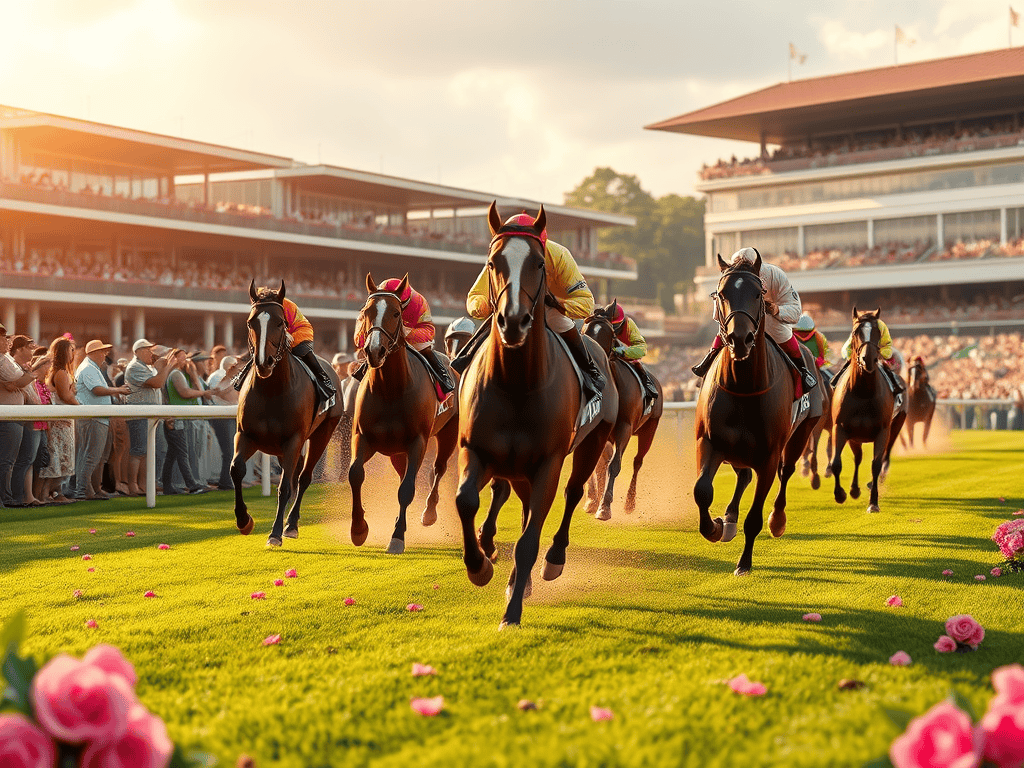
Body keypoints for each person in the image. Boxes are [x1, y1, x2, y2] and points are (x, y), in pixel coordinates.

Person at [456, 212, 605, 398]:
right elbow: (476, 296)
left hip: (549, 308)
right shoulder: (504, 253)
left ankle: (590, 370)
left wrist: (558, 303)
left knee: (562, 323)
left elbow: (586, 304)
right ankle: (461, 368)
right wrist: (485, 306)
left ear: (541, 245)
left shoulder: (559, 255)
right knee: (494, 323)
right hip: (510, 306)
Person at [691, 247, 818, 391]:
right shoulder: (729, 276)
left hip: (772, 322)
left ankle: (803, 373)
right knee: (724, 335)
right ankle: (706, 366)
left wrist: (777, 309)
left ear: (756, 266)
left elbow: (795, 312)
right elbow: (717, 314)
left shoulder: (775, 275)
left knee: (788, 341)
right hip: (741, 321)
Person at [353, 276, 455, 394]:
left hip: (412, 336)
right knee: (367, 353)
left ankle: (444, 380)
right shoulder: (375, 301)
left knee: (427, 350)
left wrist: (406, 332)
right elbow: (359, 337)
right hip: (384, 335)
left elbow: (429, 331)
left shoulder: (419, 302)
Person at [232, 292, 336, 399]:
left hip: (300, 330)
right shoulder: (263, 308)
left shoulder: (287, 305)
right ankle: (240, 378)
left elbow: (283, 325)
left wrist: (288, 335)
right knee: (261, 352)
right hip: (283, 333)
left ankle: (325, 382)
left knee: (303, 352)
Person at [72, 340, 130, 500]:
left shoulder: (91, 367)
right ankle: (81, 491)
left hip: (97, 417)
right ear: (93, 353)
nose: (105, 354)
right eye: (102, 351)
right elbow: (97, 390)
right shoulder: (88, 368)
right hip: (93, 418)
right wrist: (118, 389)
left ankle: (91, 490)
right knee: (91, 456)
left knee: (95, 457)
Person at [123, 339, 177, 496]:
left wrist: (164, 367)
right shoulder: (134, 367)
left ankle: (144, 485)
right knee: (138, 450)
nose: (151, 353)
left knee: (150, 451)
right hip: (139, 414)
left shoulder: (146, 367)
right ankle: (133, 486)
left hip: (151, 414)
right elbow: (158, 382)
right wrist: (167, 367)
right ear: (138, 351)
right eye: (147, 350)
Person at [40, 336, 78, 504]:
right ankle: (47, 493)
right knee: (58, 457)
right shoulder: (61, 372)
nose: (73, 353)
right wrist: (80, 405)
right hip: (60, 421)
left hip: (64, 419)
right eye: (71, 350)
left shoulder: (61, 370)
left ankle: (56, 492)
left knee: (63, 456)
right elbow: (65, 395)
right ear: (64, 351)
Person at [0, 328, 35, 507]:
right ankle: (5, 498)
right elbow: (20, 381)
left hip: (16, 414)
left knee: (10, 460)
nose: (6, 341)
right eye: (2, 338)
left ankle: (7, 497)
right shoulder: (4, 359)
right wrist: (32, 374)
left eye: (6, 337)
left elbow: (18, 381)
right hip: (7, 416)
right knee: (6, 461)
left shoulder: (6, 358)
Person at [835, 316, 906, 394]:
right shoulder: (858, 330)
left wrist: (880, 355)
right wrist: (852, 357)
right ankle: (835, 383)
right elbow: (845, 350)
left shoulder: (881, 329)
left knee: (887, 370)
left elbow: (887, 350)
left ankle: (896, 387)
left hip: (879, 358)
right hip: (857, 357)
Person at [607, 303, 659, 400]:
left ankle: (648, 388)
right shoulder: (601, 323)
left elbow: (642, 348)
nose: (614, 329)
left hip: (626, 356)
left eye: (616, 325)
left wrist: (624, 352)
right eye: (611, 325)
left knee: (638, 365)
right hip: (606, 355)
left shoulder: (629, 324)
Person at [206, 355, 241, 491]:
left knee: (232, 451)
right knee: (228, 451)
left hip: (230, 416)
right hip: (221, 416)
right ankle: (225, 482)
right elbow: (226, 396)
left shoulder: (232, 378)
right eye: (235, 366)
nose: (237, 368)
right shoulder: (217, 376)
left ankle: (228, 481)